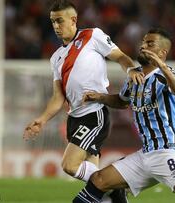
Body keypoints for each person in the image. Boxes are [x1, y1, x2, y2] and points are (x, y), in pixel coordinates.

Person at [73, 28, 175, 203]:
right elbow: (122, 102)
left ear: (162, 52)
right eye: (143, 42)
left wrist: (162, 65)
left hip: (170, 150)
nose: (143, 46)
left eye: (149, 43)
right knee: (99, 180)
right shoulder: (134, 76)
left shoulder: (165, 75)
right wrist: (100, 97)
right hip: (146, 154)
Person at [22, 1, 143, 202]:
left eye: (60, 21)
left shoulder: (92, 36)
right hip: (74, 118)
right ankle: (114, 196)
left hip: (93, 114)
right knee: (95, 180)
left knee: (69, 165)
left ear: (73, 20)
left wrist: (131, 70)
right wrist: (41, 120)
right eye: (53, 22)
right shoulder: (56, 58)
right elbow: (58, 97)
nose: (56, 26)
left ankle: (116, 188)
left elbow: (120, 56)